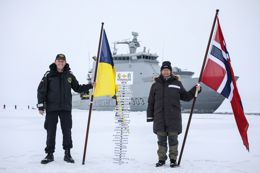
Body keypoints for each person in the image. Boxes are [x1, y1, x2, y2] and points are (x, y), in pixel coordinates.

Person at [37, 54, 93, 164]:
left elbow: (77, 88)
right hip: (52, 108)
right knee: (50, 131)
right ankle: (49, 154)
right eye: (58, 61)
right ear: (55, 62)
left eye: (62, 61)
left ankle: (67, 154)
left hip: (65, 108)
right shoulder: (48, 74)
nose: (60, 63)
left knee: (67, 131)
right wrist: (40, 106)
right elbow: (41, 90)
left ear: (65, 62)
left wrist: (90, 85)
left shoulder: (69, 75)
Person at [147, 61, 201, 168]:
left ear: (171, 72)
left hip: (173, 118)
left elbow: (186, 96)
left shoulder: (177, 84)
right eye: (164, 70)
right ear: (161, 71)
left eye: (167, 70)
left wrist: (196, 89)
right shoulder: (155, 85)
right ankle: (161, 160)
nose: (166, 72)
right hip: (160, 118)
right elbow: (151, 102)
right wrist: (150, 116)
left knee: (173, 140)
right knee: (161, 141)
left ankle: (173, 160)